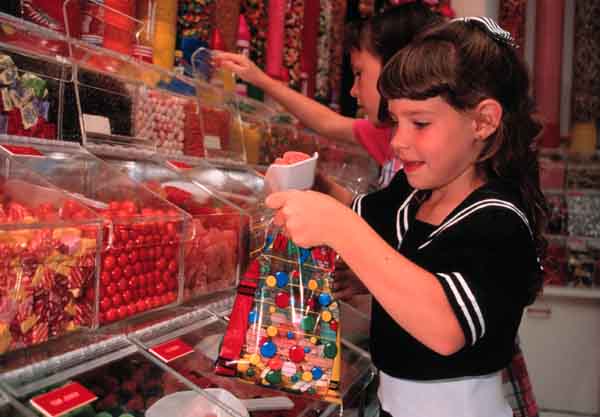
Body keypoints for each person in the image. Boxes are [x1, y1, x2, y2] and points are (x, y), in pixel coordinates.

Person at [264, 17, 547, 417]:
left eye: (421, 123)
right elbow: (359, 215)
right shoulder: (413, 195)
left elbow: (446, 327)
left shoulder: (499, 221)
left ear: (483, 121)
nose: (398, 141)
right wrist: (314, 184)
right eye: (396, 121)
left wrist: (338, 226)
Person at [215, 1, 443, 189]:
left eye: (359, 73)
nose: (353, 90)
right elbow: (328, 123)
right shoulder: (387, 132)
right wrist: (261, 79)